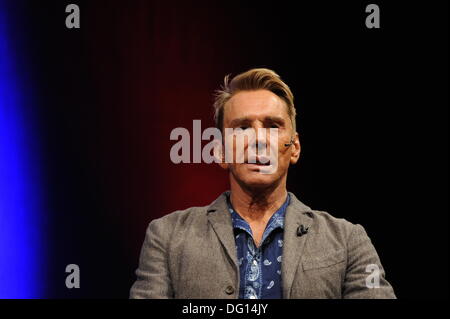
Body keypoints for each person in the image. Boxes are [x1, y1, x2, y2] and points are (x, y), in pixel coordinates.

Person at [129, 68, 396, 299]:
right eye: (242, 127)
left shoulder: (348, 241)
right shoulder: (167, 237)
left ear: (294, 148)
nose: (258, 139)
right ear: (220, 152)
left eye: (272, 126)